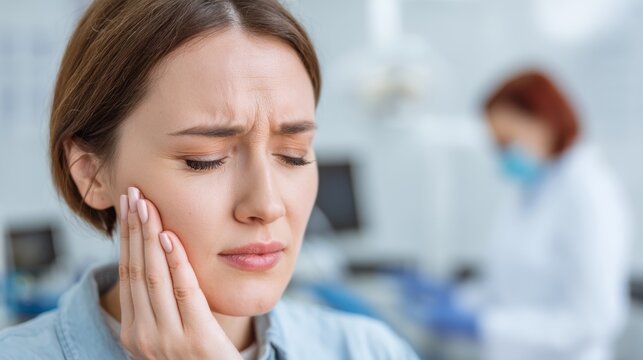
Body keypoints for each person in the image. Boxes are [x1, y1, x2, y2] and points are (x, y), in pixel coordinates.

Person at [0, 1, 419, 359]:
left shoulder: (368, 349)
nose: (267, 204)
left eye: (293, 155)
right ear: (91, 172)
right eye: (206, 160)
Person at [423, 71, 631, 360]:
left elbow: (595, 320)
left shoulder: (588, 193)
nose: (501, 154)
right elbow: (510, 287)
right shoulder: (529, 189)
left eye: (507, 141)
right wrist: (458, 298)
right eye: (496, 144)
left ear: (545, 122)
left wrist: (481, 325)